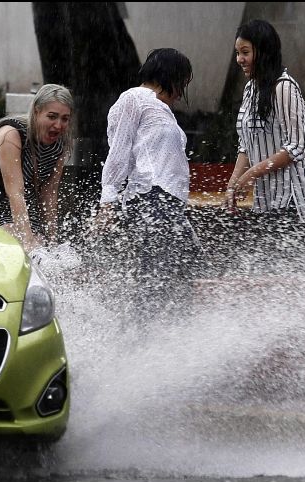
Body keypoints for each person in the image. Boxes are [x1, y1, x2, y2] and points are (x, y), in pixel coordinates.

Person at [92, 48, 202, 310]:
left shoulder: (162, 110)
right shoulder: (134, 98)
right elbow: (119, 151)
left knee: (184, 271)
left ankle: (171, 334)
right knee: (156, 278)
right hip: (152, 199)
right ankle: (142, 337)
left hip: (168, 204)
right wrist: (107, 201)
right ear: (170, 77)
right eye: (183, 83)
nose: (181, 93)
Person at [224, 19, 305, 222]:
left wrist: (253, 173)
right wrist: (232, 186)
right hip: (266, 201)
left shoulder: (284, 88)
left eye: (245, 52)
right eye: (237, 53)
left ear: (264, 53)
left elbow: (296, 147)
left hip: (295, 200)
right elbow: (246, 145)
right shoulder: (250, 89)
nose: (239, 59)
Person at [0, 84, 73, 255]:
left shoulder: (60, 145)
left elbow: (49, 194)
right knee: (16, 246)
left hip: (26, 208)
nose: (58, 125)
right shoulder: (11, 134)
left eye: (65, 119)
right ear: (37, 111)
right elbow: (15, 192)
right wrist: (27, 241)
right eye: (52, 116)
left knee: (47, 251)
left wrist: (53, 242)